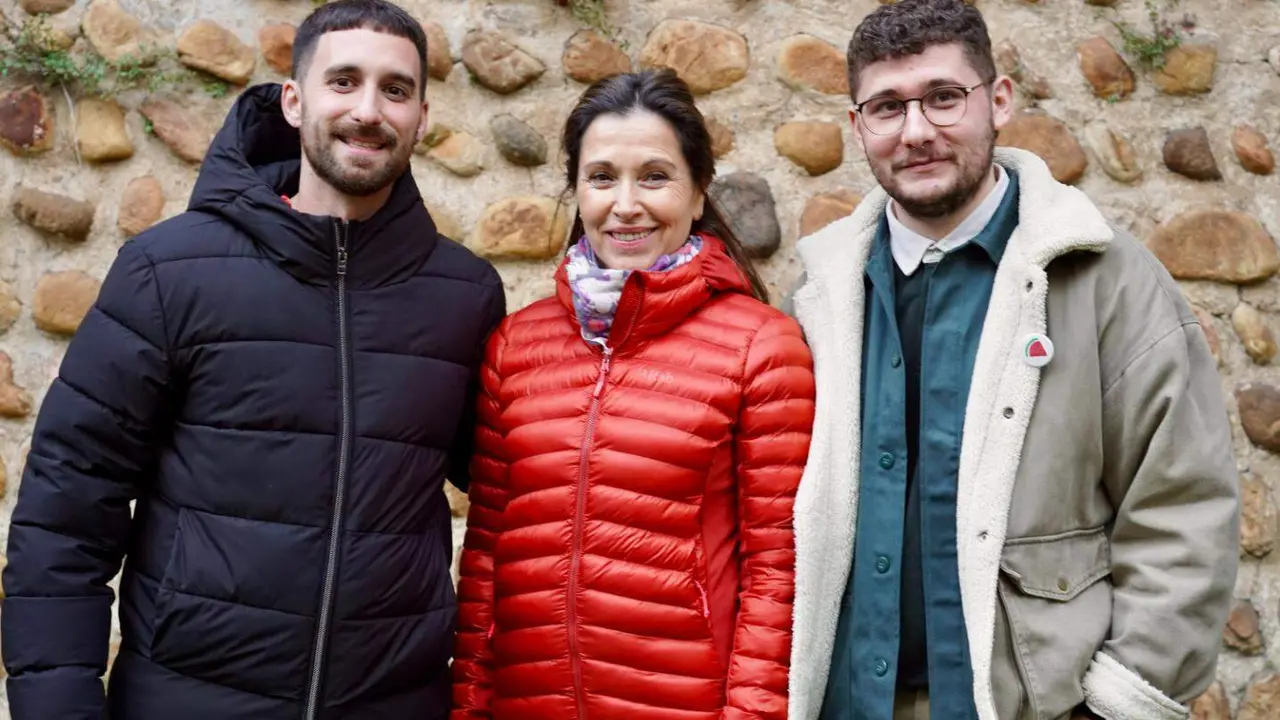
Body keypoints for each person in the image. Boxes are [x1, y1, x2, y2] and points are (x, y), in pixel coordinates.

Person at [1, 1, 505, 718]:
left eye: (394, 90)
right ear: (294, 101)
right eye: (343, 82)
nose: (368, 109)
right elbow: (68, 512)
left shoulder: (464, 295)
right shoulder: (169, 271)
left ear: (421, 116)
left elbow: (519, 485)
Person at [784, 1, 1239, 719]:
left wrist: (1118, 705)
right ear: (857, 126)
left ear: (998, 101)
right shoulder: (818, 295)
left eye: (942, 98)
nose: (916, 131)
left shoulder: (1107, 279)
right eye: (887, 107)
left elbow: (1184, 508)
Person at [449, 69, 815, 720]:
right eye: (601, 178)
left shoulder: (762, 347)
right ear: (577, 190)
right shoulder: (514, 348)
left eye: (654, 176)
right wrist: (470, 707)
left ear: (699, 192)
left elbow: (775, 573)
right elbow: (485, 561)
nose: (625, 204)